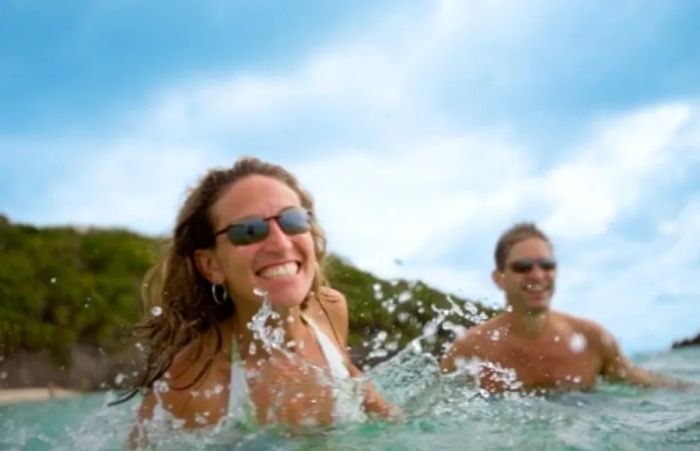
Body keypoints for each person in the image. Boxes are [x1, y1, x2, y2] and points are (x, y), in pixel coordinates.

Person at [123, 157, 394, 445]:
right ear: (211, 265)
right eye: (249, 230)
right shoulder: (193, 385)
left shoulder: (329, 309)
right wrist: (306, 434)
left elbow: (374, 406)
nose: (280, 243)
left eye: (293, 220)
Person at [441, 222, 692, 394]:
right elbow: (429, 411)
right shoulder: (470, 350)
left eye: (547, 265)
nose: (538, 275)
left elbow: (645, 384)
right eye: (523, 266)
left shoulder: (591, 339)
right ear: (499, 278)